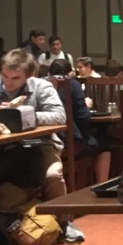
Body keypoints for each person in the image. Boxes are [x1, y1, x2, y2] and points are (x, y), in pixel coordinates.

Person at [0, 49, 84, 243]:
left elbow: (60, 117)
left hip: (38, 144)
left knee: (52, 175)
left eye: (15, 78)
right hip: (1, 149)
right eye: (5, 76)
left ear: (29, 76)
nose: (8, 83)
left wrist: (21, 115)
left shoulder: (42, 87)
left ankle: (64, 223)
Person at [47, 59, 112, 187]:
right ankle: (101, 187)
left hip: (48, 143)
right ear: (70, 73)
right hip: (69, 144)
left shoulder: (42, 84)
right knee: (104, 145)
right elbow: (84, 118)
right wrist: (86, 106)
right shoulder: (71, 83)